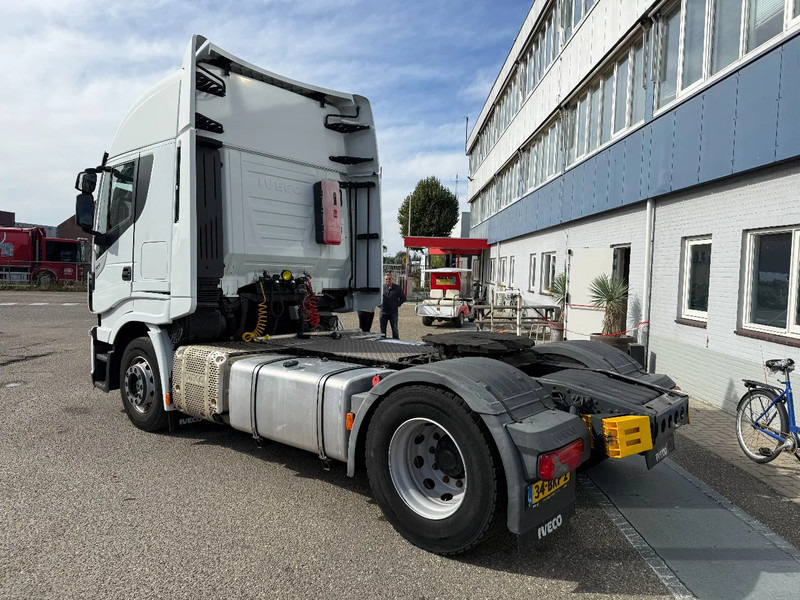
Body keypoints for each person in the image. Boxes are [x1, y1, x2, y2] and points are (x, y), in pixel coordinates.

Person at [380, 273, 405, 339]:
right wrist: (380, 306)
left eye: (389, 279)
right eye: (386, 279)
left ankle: (396, 342)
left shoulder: (397, 288)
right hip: (383, 313)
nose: (388, 280)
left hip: (393, 313)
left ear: (392, 279)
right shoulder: (382, 288)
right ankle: (382, 343)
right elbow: (377, 298)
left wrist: (397, 304)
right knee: (382, 330)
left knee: (395, 329)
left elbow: (403, 297)